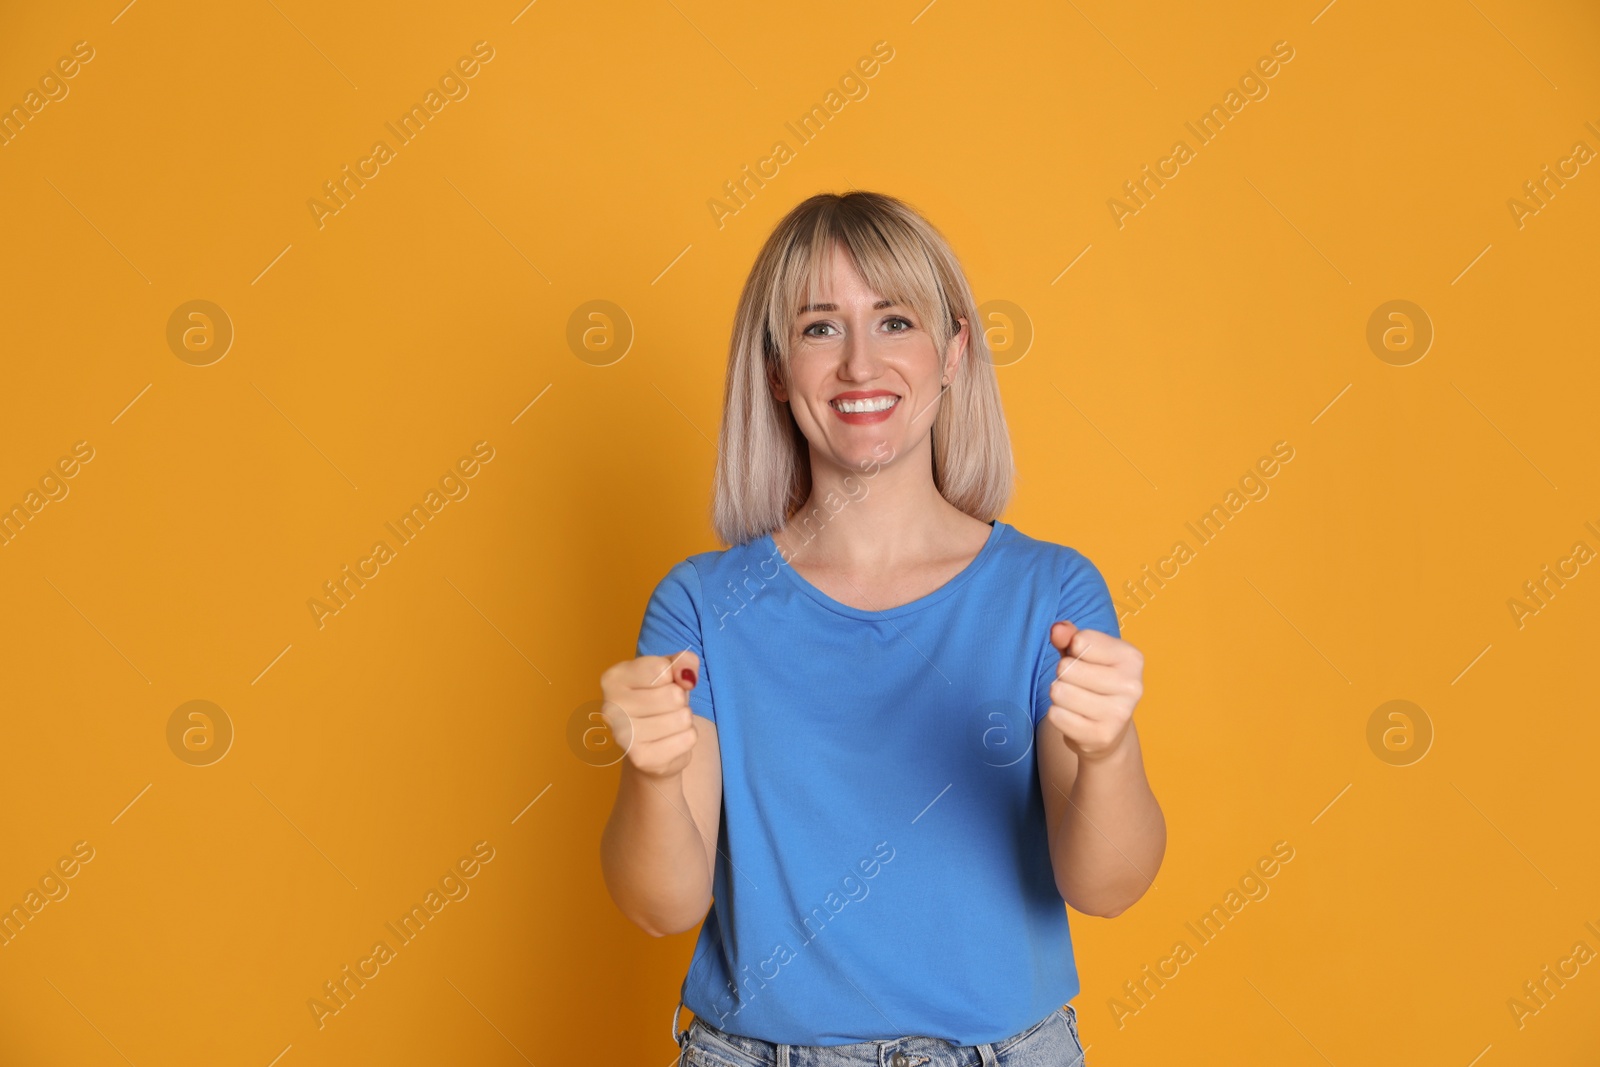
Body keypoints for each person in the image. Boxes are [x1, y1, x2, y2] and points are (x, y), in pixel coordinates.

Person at [600, 190, 1165, 1066]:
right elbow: (659, 905)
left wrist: (1109, 753)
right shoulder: (703, 607)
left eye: (894, 320)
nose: (861, 364)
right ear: (779, 372)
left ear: (952, 355)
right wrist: (652, 771)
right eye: (821, 327)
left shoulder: (1050, 592)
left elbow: (1109, 886)